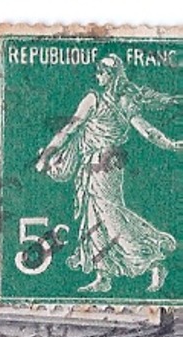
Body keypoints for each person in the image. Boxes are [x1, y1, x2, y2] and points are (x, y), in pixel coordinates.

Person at [35, 55, 183, 294]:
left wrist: (170, 144)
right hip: (96, 163)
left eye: (102, 72)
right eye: (97, 72)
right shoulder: (101, 99)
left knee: (111, 216)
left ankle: (153, 260)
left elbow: (145, 130)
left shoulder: (111, 100)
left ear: (112, 75)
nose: (98, 76)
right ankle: (103, 275)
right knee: (93, 216)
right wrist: (48, 154)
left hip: (104, 164)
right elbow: (70, 129)